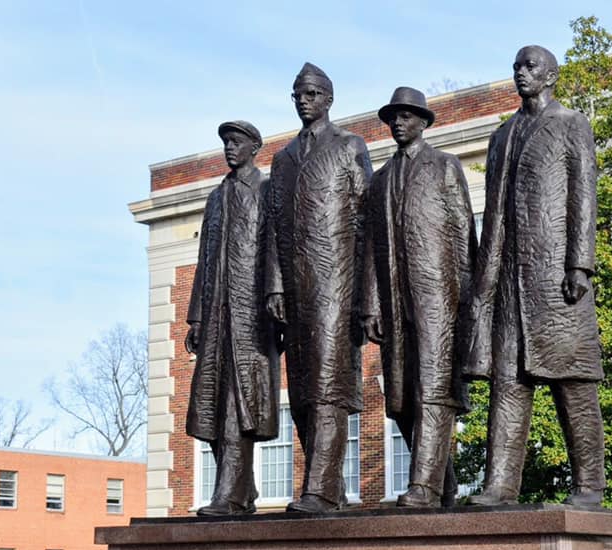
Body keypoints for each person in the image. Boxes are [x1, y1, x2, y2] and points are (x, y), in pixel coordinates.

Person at [464, 46, 606, 507]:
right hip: (508, 280)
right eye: (516, 68)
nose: (521, 74)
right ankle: (500, 484)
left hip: (556, 276)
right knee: (509, 384)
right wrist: (484, 283)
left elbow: (583, 194)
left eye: (530, 67)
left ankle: (589, 486)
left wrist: (579, 264)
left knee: (574, 384)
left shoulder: (571, 124)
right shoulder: (502, 134)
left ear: (551, 75)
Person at [361, 87, 477, 508]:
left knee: (434, 387)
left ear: (424, 121)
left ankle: (424, 486)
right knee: (403, 397)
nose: (399, 123)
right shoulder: (380, 180)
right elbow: (371, 249)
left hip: (439, 298)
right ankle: (442, 486)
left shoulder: (445, 167)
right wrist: (371, 303)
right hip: (393, 301)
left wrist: (468, 295)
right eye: (393, 117)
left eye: (408, 116)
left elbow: (465, 232)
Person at [265, 63, 373, 513]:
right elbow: (272, 227)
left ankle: (320, 489)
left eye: (311, 93)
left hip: (337, 285)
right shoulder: (282, 159)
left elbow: (366, 222)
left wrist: (366, 296)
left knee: (330, 387)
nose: (303, 100)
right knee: (304, 392)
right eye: (297, 93)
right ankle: (330, 490)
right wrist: (274, 285)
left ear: (328, 98)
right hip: (294, 291)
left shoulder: (350, 147)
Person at [185, 120, 280, 516]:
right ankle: (244, 489)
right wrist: (195, 318)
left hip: (251, 316)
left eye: (236, 142)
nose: (229, 148)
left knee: (239, 403)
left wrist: (275, 293)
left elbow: (276, 247)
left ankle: (229, 494)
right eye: (226, 142)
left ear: (254, 147)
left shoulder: (265, 189)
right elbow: (204, 260)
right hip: (215, 317)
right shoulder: (216, 198)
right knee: (206, 406)